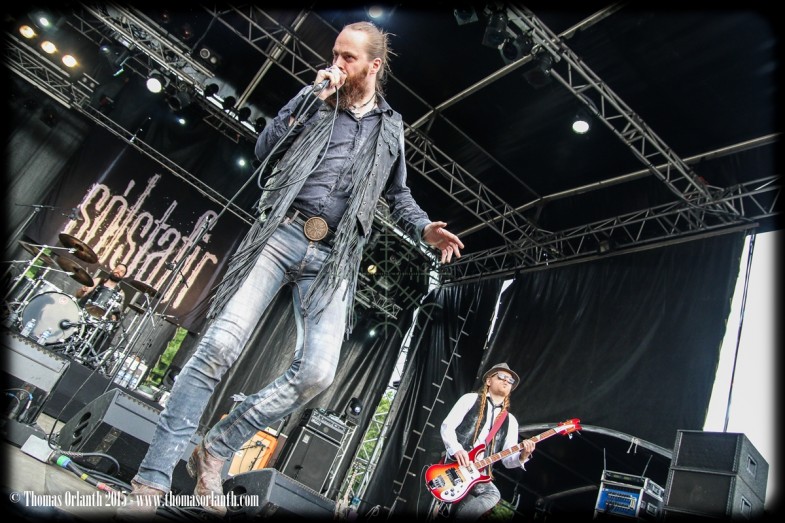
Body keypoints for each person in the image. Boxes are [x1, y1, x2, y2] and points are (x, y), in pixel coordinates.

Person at [120, 21, 464, 517]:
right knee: (219, 346)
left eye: (348, 58)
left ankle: (216, 448)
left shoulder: (391, 127)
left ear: (374, 65)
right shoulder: (315, 100)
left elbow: (398, 193)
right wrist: (309, 98)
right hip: (281, 233)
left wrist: (424, 228)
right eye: (335, 54)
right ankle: (153, 475)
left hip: (335, 256)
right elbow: (266, 150)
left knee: (318, 372)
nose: (337, 64)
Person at [438, 363, 535, 521]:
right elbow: (447, 427)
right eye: (502, 377)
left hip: (478, 474)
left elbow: (508, 460)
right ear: (489, 381)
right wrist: (457, 449)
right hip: (455, 465)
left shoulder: (510, 421)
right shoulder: (470, 399)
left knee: (465, 509)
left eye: (510, 380)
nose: (506, 381)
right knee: (492, 494)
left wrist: (523, 455)